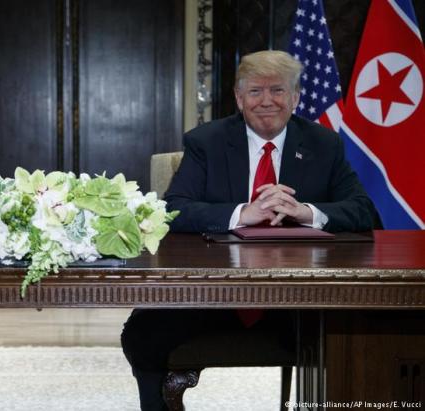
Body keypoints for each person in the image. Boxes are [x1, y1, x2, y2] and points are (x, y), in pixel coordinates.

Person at [121, 50, 378, 410]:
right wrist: (244, 212)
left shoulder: (324, 144)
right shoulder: (206, 142)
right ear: (239, 99)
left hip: (302, 300)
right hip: (212, 294)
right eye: (255, 92)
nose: (267, 101)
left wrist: (305, 212)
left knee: (369, 330)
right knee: (142, 334)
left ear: (295, 97)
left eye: (278, 90)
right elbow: (174, 210)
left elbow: (364, 211)